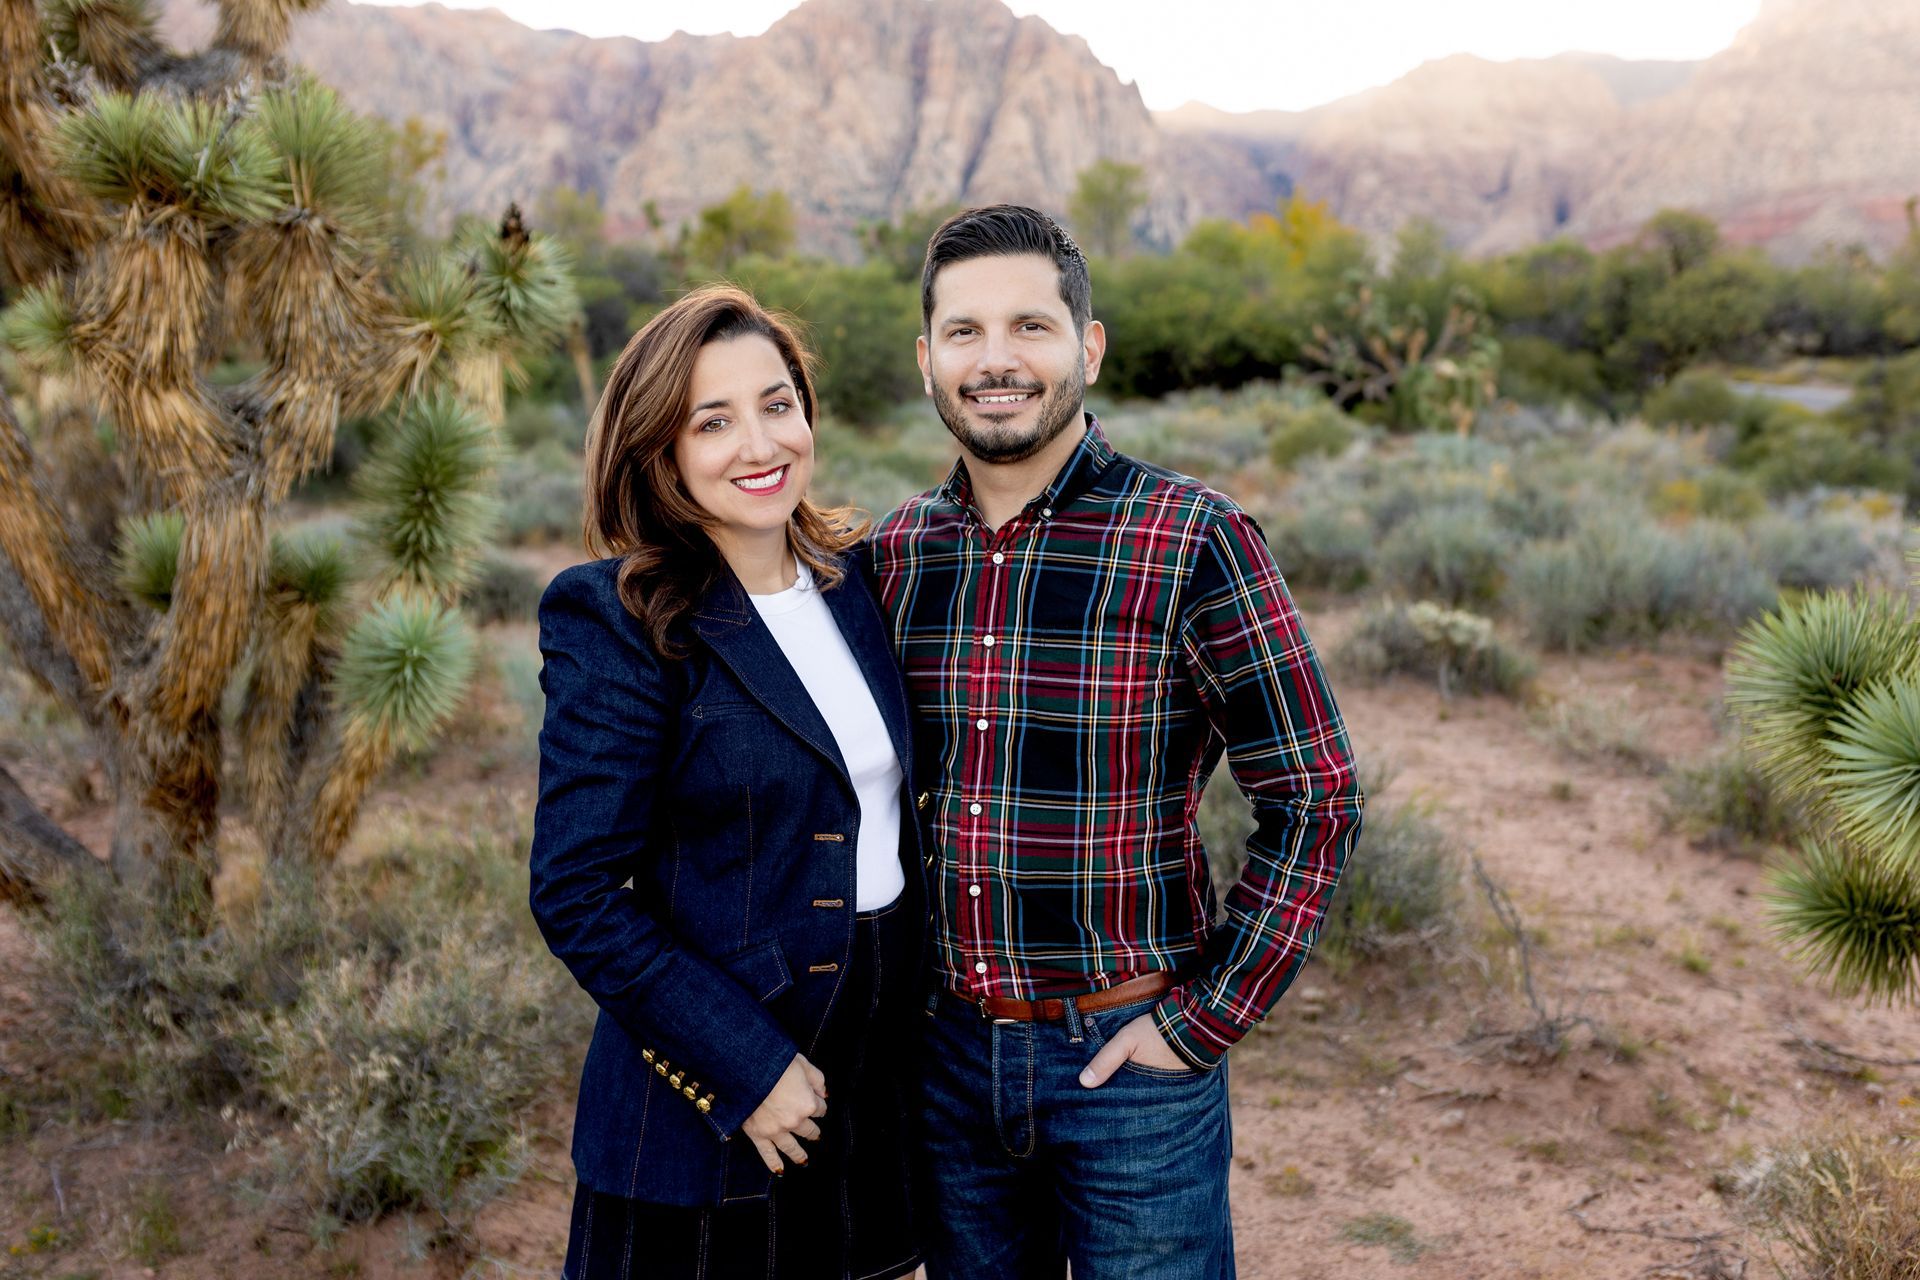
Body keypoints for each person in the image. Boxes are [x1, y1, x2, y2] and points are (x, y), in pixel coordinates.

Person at [869, 205, 1366, 1279]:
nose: (996, 360)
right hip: (947, 1059)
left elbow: (1317, 796)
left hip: (1130, 1064)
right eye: (964, 332)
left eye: (1030, 327)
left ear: (1087, 346)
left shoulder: (1193, 537)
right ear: (926, 359)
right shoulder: (893, 557)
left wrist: (1204, 1021)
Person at [529, 285, 924, 1280]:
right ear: (660, 449)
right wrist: (743, 1069)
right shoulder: (619, 616)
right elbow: (574, 890)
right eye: (713, 420)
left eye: (777, 402)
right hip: (704, 1122)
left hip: (870, 1097)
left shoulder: (859, 585)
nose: (760, 441)